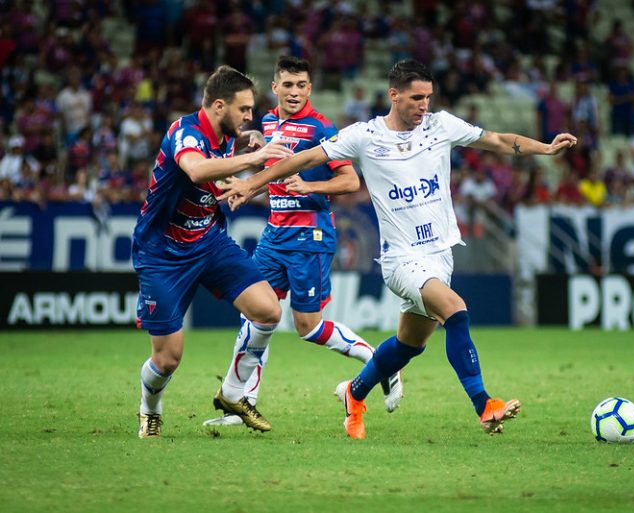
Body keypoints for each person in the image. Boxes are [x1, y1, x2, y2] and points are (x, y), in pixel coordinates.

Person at [218, 59, 577, 439]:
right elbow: (304, 159)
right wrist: (252, 182)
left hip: (440, 254)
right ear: (394, 95)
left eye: (428, 97)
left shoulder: (441, 126)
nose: (424, 105)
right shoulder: (366, 135)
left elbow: (499, 141)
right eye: (416, 98)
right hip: (401, 259)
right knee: (456, 311)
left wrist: (546, 149)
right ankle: (484, 404)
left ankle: (354, 394)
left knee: (409, 345)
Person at [205, 56, 403, 429]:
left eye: (301, 86)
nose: (294, 92)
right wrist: (249, 186)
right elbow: (267, 169)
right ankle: (243, 402)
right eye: (287, 85)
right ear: (275, 87)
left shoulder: (321, 128)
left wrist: (309, 185)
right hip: (273, 233)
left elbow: (349, 182)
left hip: (309, 235)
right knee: (255, 315)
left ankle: (380, 362)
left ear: (309, 89)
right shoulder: (265, 122)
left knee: (308, 327)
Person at [132, 65, 294, 438]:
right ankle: (149, 408)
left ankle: (234, 393)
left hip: (207, 241)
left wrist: (235, 182)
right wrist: (256, 159)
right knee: (167, 358)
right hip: (163, 252)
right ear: (219, 106)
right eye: (245, 109)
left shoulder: (224, 133)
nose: (251, 117)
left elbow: (215, 173)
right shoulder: (185, 132)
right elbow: (195, 169)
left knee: (268, 310)